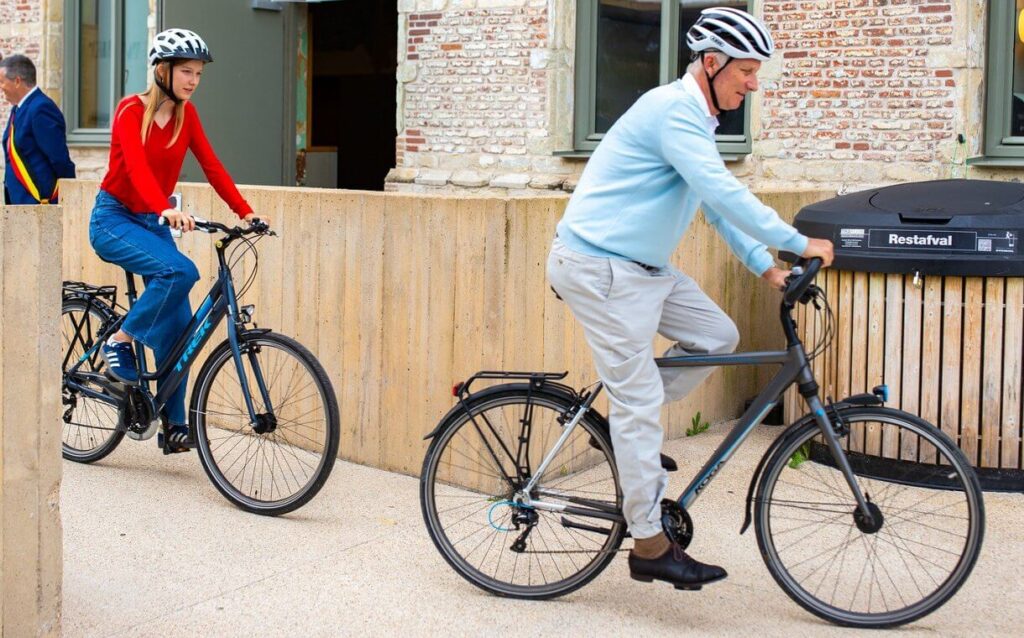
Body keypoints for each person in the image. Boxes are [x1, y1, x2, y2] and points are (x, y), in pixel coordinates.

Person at [547, 7, 834, 590]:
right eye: (747, 71)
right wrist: (797, 241)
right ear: (711, 63)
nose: (754, 83)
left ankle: (630, 427)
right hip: (601, 267)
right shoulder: (673, 111)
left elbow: (708, 201)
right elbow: (722, 191)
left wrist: (765, 267)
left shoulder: (696, 121)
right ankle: (650, 542)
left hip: (644, 268)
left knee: (716, 337)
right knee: (640, 401)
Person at [90, 29, 268, 454]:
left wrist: (245, 211)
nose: (193, 80)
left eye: (199, 73)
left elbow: (211, 164)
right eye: (186, 71)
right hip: (114, 218)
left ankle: (173, 425)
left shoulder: (188, 117)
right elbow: (134, 167)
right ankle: (120, 341)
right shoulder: (130, 110)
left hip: (152, 222)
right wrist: (163, 206)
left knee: (181, 328)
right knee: (180, 270)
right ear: (163, 70)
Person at [1, 54, 75, 205]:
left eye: (2, 82)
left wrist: (69, 197)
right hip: (20, 202)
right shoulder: (18, 108)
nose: (1, 87)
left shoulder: (41, 108)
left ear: (17, 81)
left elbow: (59, 159)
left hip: (39, 204)